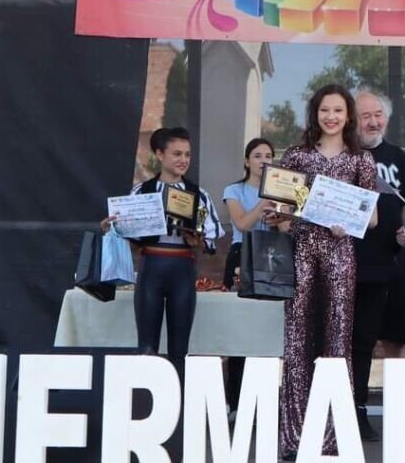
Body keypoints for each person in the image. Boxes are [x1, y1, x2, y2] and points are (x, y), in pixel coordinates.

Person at [273, 84, 379, 459]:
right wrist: (280, 216)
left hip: (339, 254)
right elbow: (282, 210)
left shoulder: (361, 160)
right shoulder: (296, 156)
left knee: (337, 340)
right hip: (302, 251)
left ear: (348, 115)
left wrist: (347, 222)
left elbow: (372, 218)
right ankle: (294, 438)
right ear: (314, 114)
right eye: (324, 110)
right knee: (298, 340)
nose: (330, 117)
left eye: (337, 110)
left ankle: (332, 439)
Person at [100, 127, 221, 378]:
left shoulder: (199, 195)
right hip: (151, 267)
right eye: (177, 153)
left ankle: (179, 398)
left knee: (179, 348)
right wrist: (113, 228)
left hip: (182, 270)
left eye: (187, 154)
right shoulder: (141, 192)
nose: (183, 160)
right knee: (146, 347)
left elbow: (210, 242)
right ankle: (147, 397)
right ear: (159, 154)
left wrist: (196, 240)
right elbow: (130, 238)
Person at [351, 90, 405, 442]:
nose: (373, 122)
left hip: (395, 263)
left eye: (378, 114)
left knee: (396, 340)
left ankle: (401, 415)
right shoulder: (346, 156)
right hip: (358, 263)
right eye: (365, 116)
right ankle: (356, 411)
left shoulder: (396, 155)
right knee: (359, 342)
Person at [221, 137, 278, 418]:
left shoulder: (282, 190)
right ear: (247, 161)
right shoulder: (234, 190)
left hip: (273, 255)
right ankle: (235, 402)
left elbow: (289, 228)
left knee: (268, 328)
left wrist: (279, 217)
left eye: (268, 155)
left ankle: (264, 403)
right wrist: (263, 204)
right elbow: (242, 223)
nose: (263, 161)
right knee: (239, 329)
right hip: (242, 254)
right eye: (257, 155)